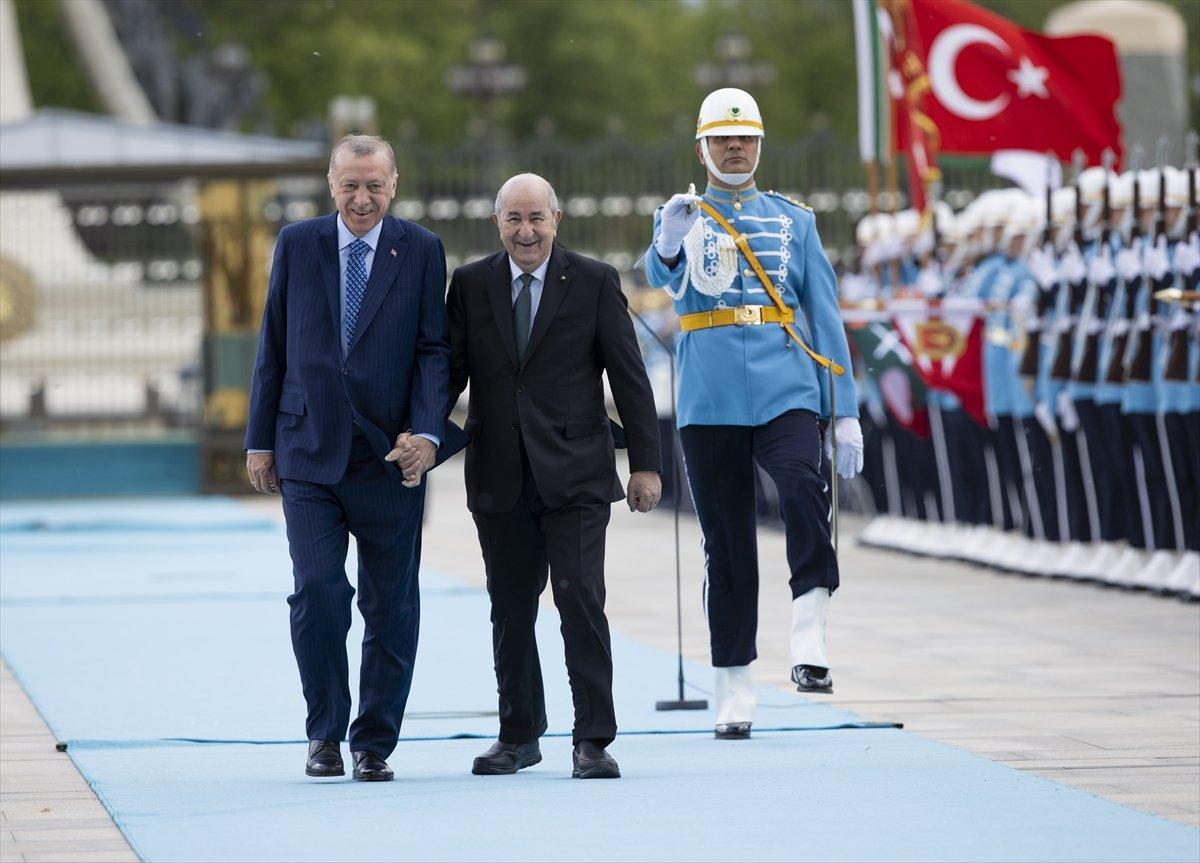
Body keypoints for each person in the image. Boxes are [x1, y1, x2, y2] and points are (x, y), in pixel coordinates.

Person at [643, 88, 862, 740]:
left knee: (801, 485)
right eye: (721, 138)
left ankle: (809, 626)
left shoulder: (796, 221)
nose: (734, 148)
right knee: (728, 543)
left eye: (744, 139)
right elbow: (662, 277)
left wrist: (843, 407)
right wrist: (670, 241)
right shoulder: (680, 213)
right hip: (710, 394)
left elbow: (824, 316)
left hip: (785, 385)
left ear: (759, 145)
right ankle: (734, 680)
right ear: (702, 147)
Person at [244, 134, 451, 781]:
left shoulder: (420, 250)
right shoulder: (297, 244)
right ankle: (324, 734)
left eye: (375, 185)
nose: (362, 198)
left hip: (392, 458)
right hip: (307, 450)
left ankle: (374, 743)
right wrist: (259, 438)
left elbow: (432, 351)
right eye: (350, 185)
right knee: (319, 593)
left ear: (394, 184)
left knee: (392, 605)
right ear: (330, 184)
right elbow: (273, 341)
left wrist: (426, 433)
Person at [446, 173, 661, 779]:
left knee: (579, 600)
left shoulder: (594, 281)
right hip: (499, 476)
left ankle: (592, 738)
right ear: (498, 225)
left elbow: (629, 377)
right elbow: (450, 374)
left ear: (556, 220)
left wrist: (644, 464)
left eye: (536, 218)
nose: (526, 231)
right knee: (510, 609)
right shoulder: (469, 284)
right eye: (513, 219)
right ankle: (518, 734)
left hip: (577, 477)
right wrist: (423, 436)